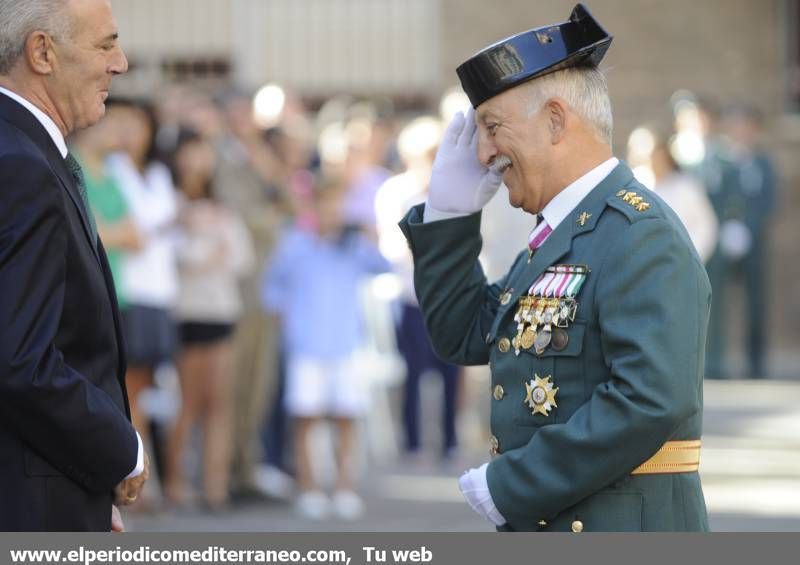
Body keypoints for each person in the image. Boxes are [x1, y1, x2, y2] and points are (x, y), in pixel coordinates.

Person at [399, 4, 710, 531]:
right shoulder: (561, 234)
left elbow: (650, 399)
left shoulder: (639, 234)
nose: (484, 152)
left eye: (493, 128)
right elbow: (465, 334)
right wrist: (448, 217)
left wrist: (512, 484)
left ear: (556, 120)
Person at [0, 0, 148, 531]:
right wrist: (120, 452)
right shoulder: (21, 165)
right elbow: (20, 361)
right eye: (105, 44)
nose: (121, 63)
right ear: (42, 52)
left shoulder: (26, 152)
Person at [263, 181, 390, 521]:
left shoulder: (353, 247)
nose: (332, 215)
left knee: (346, 419)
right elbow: (272, 288)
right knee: (306, 419)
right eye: (326, 207)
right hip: (307, 346)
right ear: (313, 210)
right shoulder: (294, 246)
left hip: (345, 346)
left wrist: (369, 236)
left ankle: (344, 488)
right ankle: (310, 487)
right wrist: (287, 322)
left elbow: (385, 267)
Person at [164, 129, 254, 510]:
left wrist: (210, 251)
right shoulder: (167, 201)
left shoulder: (222, 207)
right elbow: (176, 255)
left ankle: (214, 484)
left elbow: (240, 257)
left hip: (220, 311)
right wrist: (203, 251)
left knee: (219, 402)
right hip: (186, 313)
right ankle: (175, 481)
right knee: (188, 402)